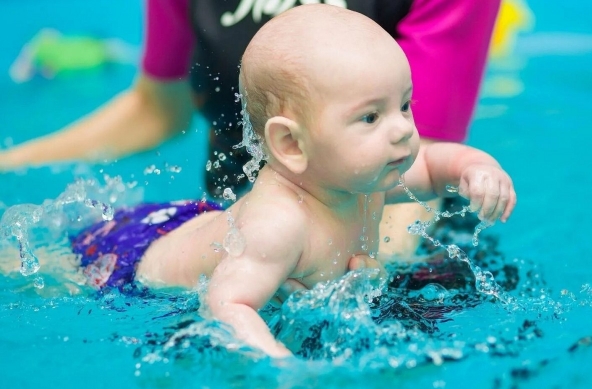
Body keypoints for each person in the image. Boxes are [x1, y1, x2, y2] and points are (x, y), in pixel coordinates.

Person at [67, 5, 516, 358]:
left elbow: (437, 167)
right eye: (370, 116)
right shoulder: (278, 223)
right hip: (128, 262)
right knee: (52, 268)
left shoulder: (367, 175)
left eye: (405, 105)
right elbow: (227, 306)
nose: (401, 129)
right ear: (292, 144)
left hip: (201, 226)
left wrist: (475, 169)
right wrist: (279, 363)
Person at [0, 0, 501, 257]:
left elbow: (415, 157)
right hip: (232, 226)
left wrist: (355, 279)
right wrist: (10, 164)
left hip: (400, 237)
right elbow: (157, 110)